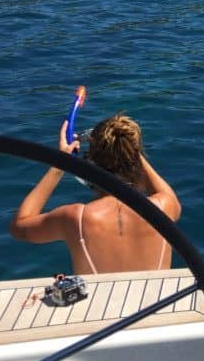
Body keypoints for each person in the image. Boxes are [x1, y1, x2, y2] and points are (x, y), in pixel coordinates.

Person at [10, 114, 181, 275]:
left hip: (101, 305)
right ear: (136, 158)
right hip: (158, 304)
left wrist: (60, 163)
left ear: (91, 163)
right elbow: (164, 192)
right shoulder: (164, 207)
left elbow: (19, 227)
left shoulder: (76, 218)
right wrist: (131, 151)